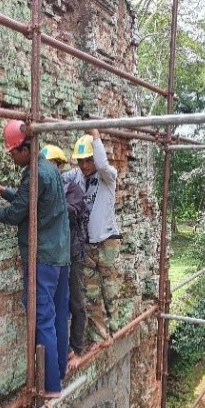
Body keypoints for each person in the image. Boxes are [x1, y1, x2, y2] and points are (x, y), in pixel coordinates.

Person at [0, 120, 70, 398]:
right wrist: (4, 192)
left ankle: (50, 386)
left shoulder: (34, 173)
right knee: (59, 313)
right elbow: (31, 201)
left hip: (44, 258)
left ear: (26, 148)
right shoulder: (48, 168)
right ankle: (59, 369)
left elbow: (16, 215)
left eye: (13, 151)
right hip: (60, 256)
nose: (11, 157)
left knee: (42, 316)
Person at [62, 129, 121, 352]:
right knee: (92, 295)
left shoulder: (107, 177)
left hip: (107, 242)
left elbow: (103, 165)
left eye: (88, 160)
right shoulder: (76, 176)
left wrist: (96, 136)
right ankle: (100, 336)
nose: (85, 165)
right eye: (81, 161)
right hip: (86, 244)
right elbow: (55, 176)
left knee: (110, 289)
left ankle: (114, 330)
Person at [40, 145, 89, 371]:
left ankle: (77, 348)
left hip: (71, 256)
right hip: (53, 259)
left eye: (51, 166)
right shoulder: (43, 190)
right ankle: (62, 350)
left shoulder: (73, 190)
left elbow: (67, 212)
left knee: (75, 303)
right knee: (55, 308)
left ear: (59, 167)